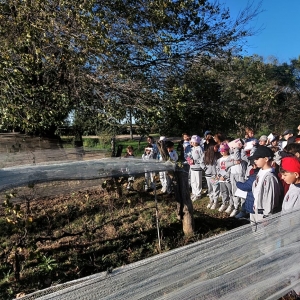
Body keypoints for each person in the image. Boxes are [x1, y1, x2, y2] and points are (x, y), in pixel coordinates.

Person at [248, 146, 281, 224]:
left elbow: (270, 197)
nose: (254, 160)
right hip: (256, 208)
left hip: (263, 214)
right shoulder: (260, 172)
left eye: (257, 158)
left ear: (266, 159)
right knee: (255, 232)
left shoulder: (269, 176)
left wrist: (267, 215)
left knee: (262, 234)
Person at [200, 144, 221, 209]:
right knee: (210, 188)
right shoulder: (205, 154)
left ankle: (215, 202)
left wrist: (218, 173)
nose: (217, 149)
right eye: (216, 147)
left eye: (217, 148)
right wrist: (205, 169)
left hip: (215, 175)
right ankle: (211, 200)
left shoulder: (217, 155)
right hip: (208, 174)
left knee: (216, 188)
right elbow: (201, 162)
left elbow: (219, 164)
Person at [216, 142, 234, 212]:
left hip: (227, 179)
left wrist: (225, 176)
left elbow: (230, 168)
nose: (222, 152)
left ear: (227, 150)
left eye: (223, 150)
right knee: (223, 191)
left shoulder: (230, 158)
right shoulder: (219, 160)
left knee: (230, 192)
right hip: (221, 179)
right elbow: (218, 168)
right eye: (221, 151)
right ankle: (224, 203)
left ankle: (231, 204)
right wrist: (218, 175)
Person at [188, 135, 204, 201]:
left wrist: (195, 161)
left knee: (198, 181)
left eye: (194, 142)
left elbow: (202, 158)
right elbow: (189, 156)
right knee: (193, 181)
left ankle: (198, 194)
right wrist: (189, 160)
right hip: (192, 167)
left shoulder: (199, 148)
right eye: (192, 142)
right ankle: (194, 192)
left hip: (198, 167)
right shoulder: (191, 149)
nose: (193, 143)